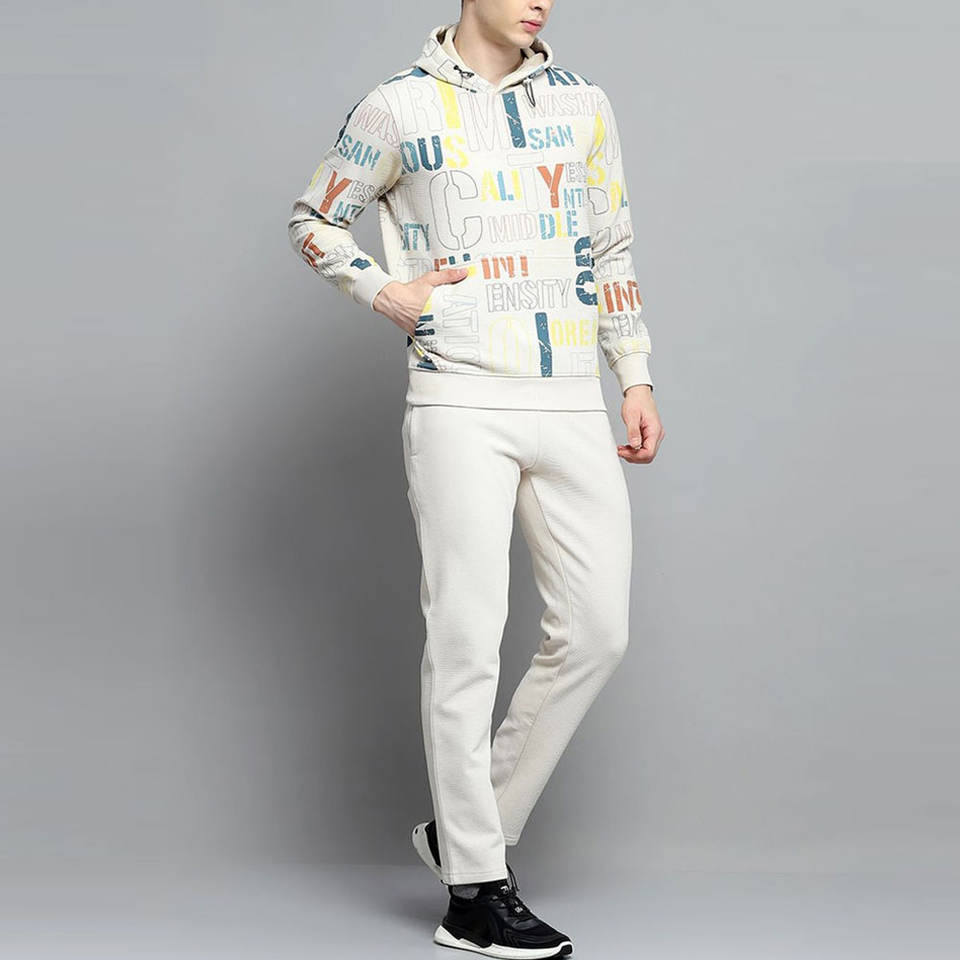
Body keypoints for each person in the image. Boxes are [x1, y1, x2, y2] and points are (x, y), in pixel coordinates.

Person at [287, 2, 665, 956]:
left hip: (570, 394)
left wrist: (634, 374)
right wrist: (387, 291)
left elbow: (610, 243)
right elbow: (314, 217)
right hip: (458, 396)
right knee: (466, 639)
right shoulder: (398, 104)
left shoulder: (582, 103)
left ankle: (467, 829)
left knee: (597, 629)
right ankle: (474, 893)